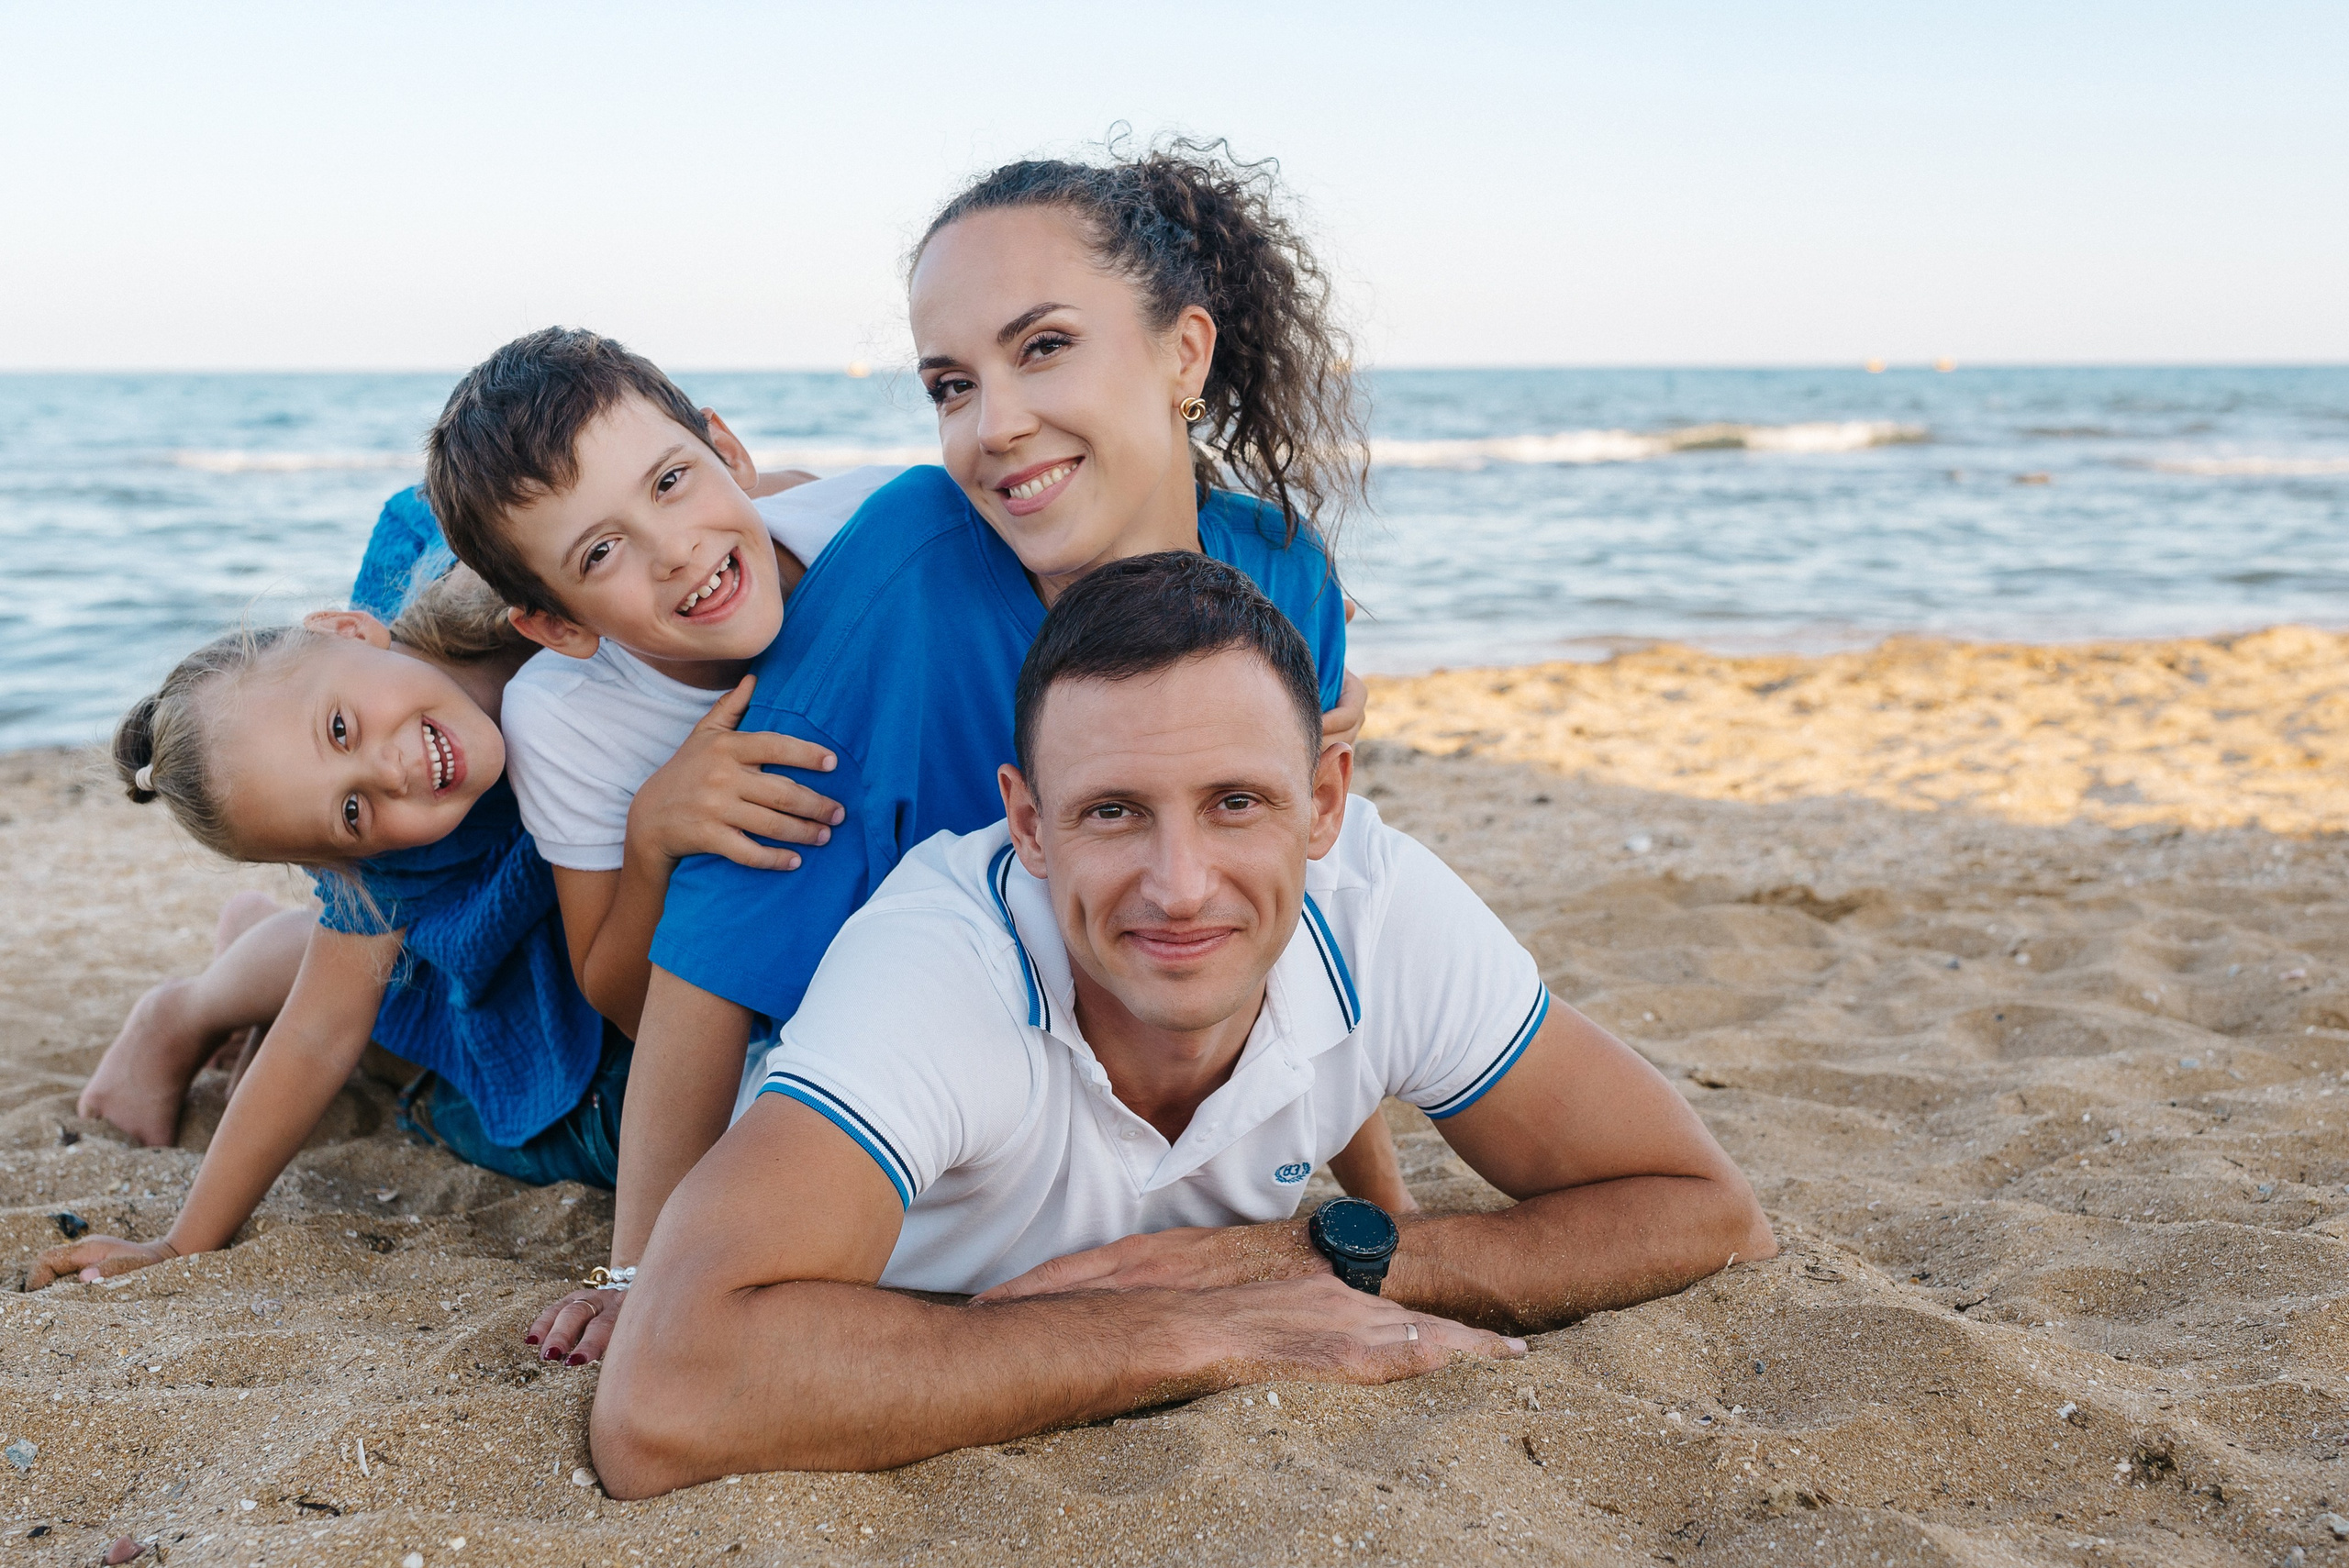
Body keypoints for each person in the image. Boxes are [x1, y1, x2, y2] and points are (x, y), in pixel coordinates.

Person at [588, 553, 1777, 1491]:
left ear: (1322, 804)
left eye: (1236, 803)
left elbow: (1705, 1209)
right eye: (1113, 811)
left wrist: (1307, 1256)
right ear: (1031, 824)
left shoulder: (1382, 909)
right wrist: (1197, 1329)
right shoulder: (941, 969)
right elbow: (665, 1398)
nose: (1181, 884)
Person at [507, 142, 1413, 1365]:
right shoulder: (911, 565)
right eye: (949, 384)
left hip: (1124, 1072)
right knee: (482, 1069)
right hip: (866, 1083)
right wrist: (644, 1270)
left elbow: (1295, 918)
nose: (995, 425)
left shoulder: (1284, 574)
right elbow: (713, 957)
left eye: (1044, 348)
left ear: (1182, 353)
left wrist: (1383, 1212)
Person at [30, 509, 614, 1288]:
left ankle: (245, 959)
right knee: (446, 1048)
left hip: (528, 929)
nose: (389, 770)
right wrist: (180, 1244)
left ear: (348, 629)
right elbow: (315, 1038)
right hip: (514, 974)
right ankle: (193, 1006)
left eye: (341, 728)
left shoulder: (496, 566)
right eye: (351, 811)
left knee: (378, 963)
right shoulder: (405, 847)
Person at [422, 327, 881, 1040]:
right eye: (602, 552)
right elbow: (624, 1004)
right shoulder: (563, 716)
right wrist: (651, 835)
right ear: (557, 627)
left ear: (727, 452)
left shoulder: (877, 527)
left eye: (670, 482)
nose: (673, 551)